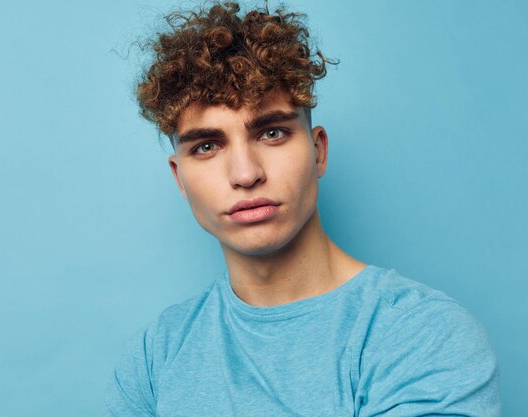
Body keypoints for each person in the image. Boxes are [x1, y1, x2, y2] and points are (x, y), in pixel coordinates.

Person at [106, 2, 500, 416]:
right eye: (207, 146)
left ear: (318, 151)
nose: (245, 174)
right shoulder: (155, 358)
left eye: (271, 133)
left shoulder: (422, 334)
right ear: (179, 178)